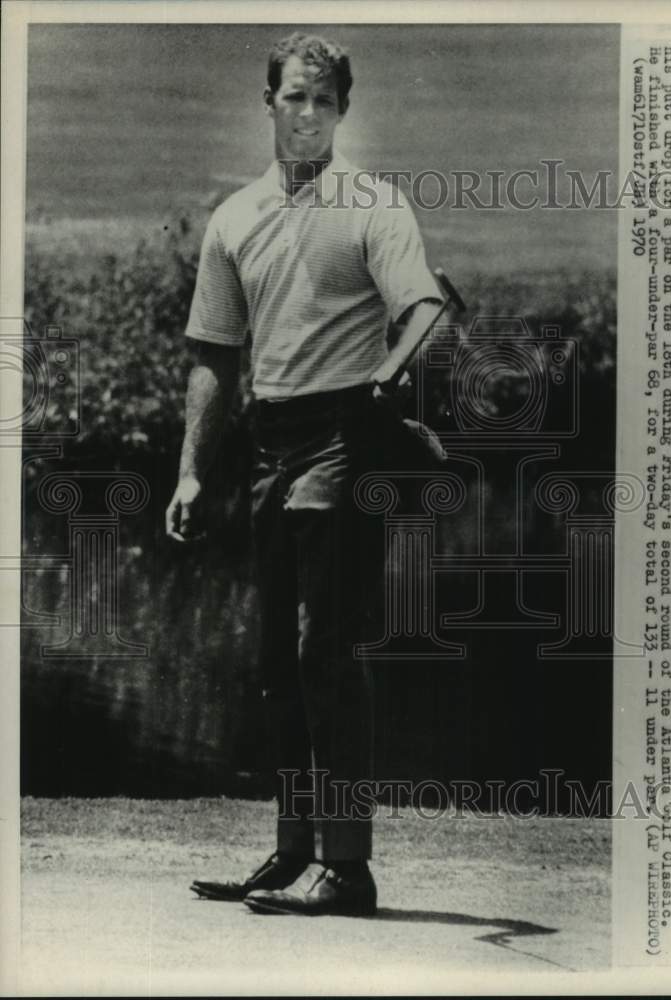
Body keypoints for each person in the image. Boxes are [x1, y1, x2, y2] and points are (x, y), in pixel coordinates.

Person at [165, 32, 443, 917]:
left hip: (344, 438)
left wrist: (393, 367)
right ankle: (293, 853)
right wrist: (188, 474)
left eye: (325, 102)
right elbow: (214, 355)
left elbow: (426, 306)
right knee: (275, 662)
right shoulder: (236, 217)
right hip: (267, 444)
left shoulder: (373, 205)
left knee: (328, 648)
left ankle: (349, 868)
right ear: (271, 102)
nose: (309, 115)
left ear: (343, 110)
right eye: (294, 98)